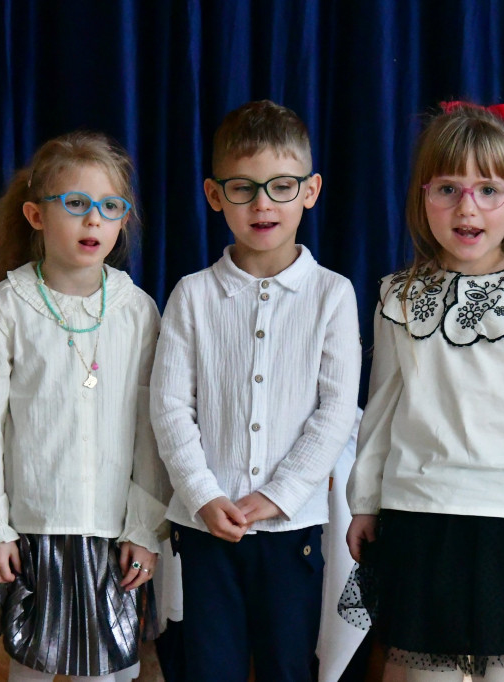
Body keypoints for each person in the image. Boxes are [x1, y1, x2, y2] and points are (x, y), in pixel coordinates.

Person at [343, 102, 504, 681]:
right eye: (448, 189)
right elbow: (380, 409)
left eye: (489, 190)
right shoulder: (397, 297)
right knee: (419, 671)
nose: (467, 208)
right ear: (421, 195)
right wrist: (365, 500)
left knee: (503, 673)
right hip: (416, 514)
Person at [150, 99, 361, 681]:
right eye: (243, 188)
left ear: (311, 191)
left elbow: (336, 409)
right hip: (205, 528)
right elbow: (169, 406)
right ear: (216, 195)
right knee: (206, 668)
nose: (263, 203)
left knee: (287, 667)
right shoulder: (192, 295)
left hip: (292, 530)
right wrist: (201, 493)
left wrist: (279, 495)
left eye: (281, 186)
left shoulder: (332, 294)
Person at [0, 131, 170, 681]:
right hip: (31, 533)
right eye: (75, 204)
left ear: (124, 219)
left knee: (111, 674)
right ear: (35, 214)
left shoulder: (138, 311)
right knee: (31, 670)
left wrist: (144, 529)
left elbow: (152, 433)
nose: (92, 220)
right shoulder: (6, 307)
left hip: (113, 536)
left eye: (109, 207)